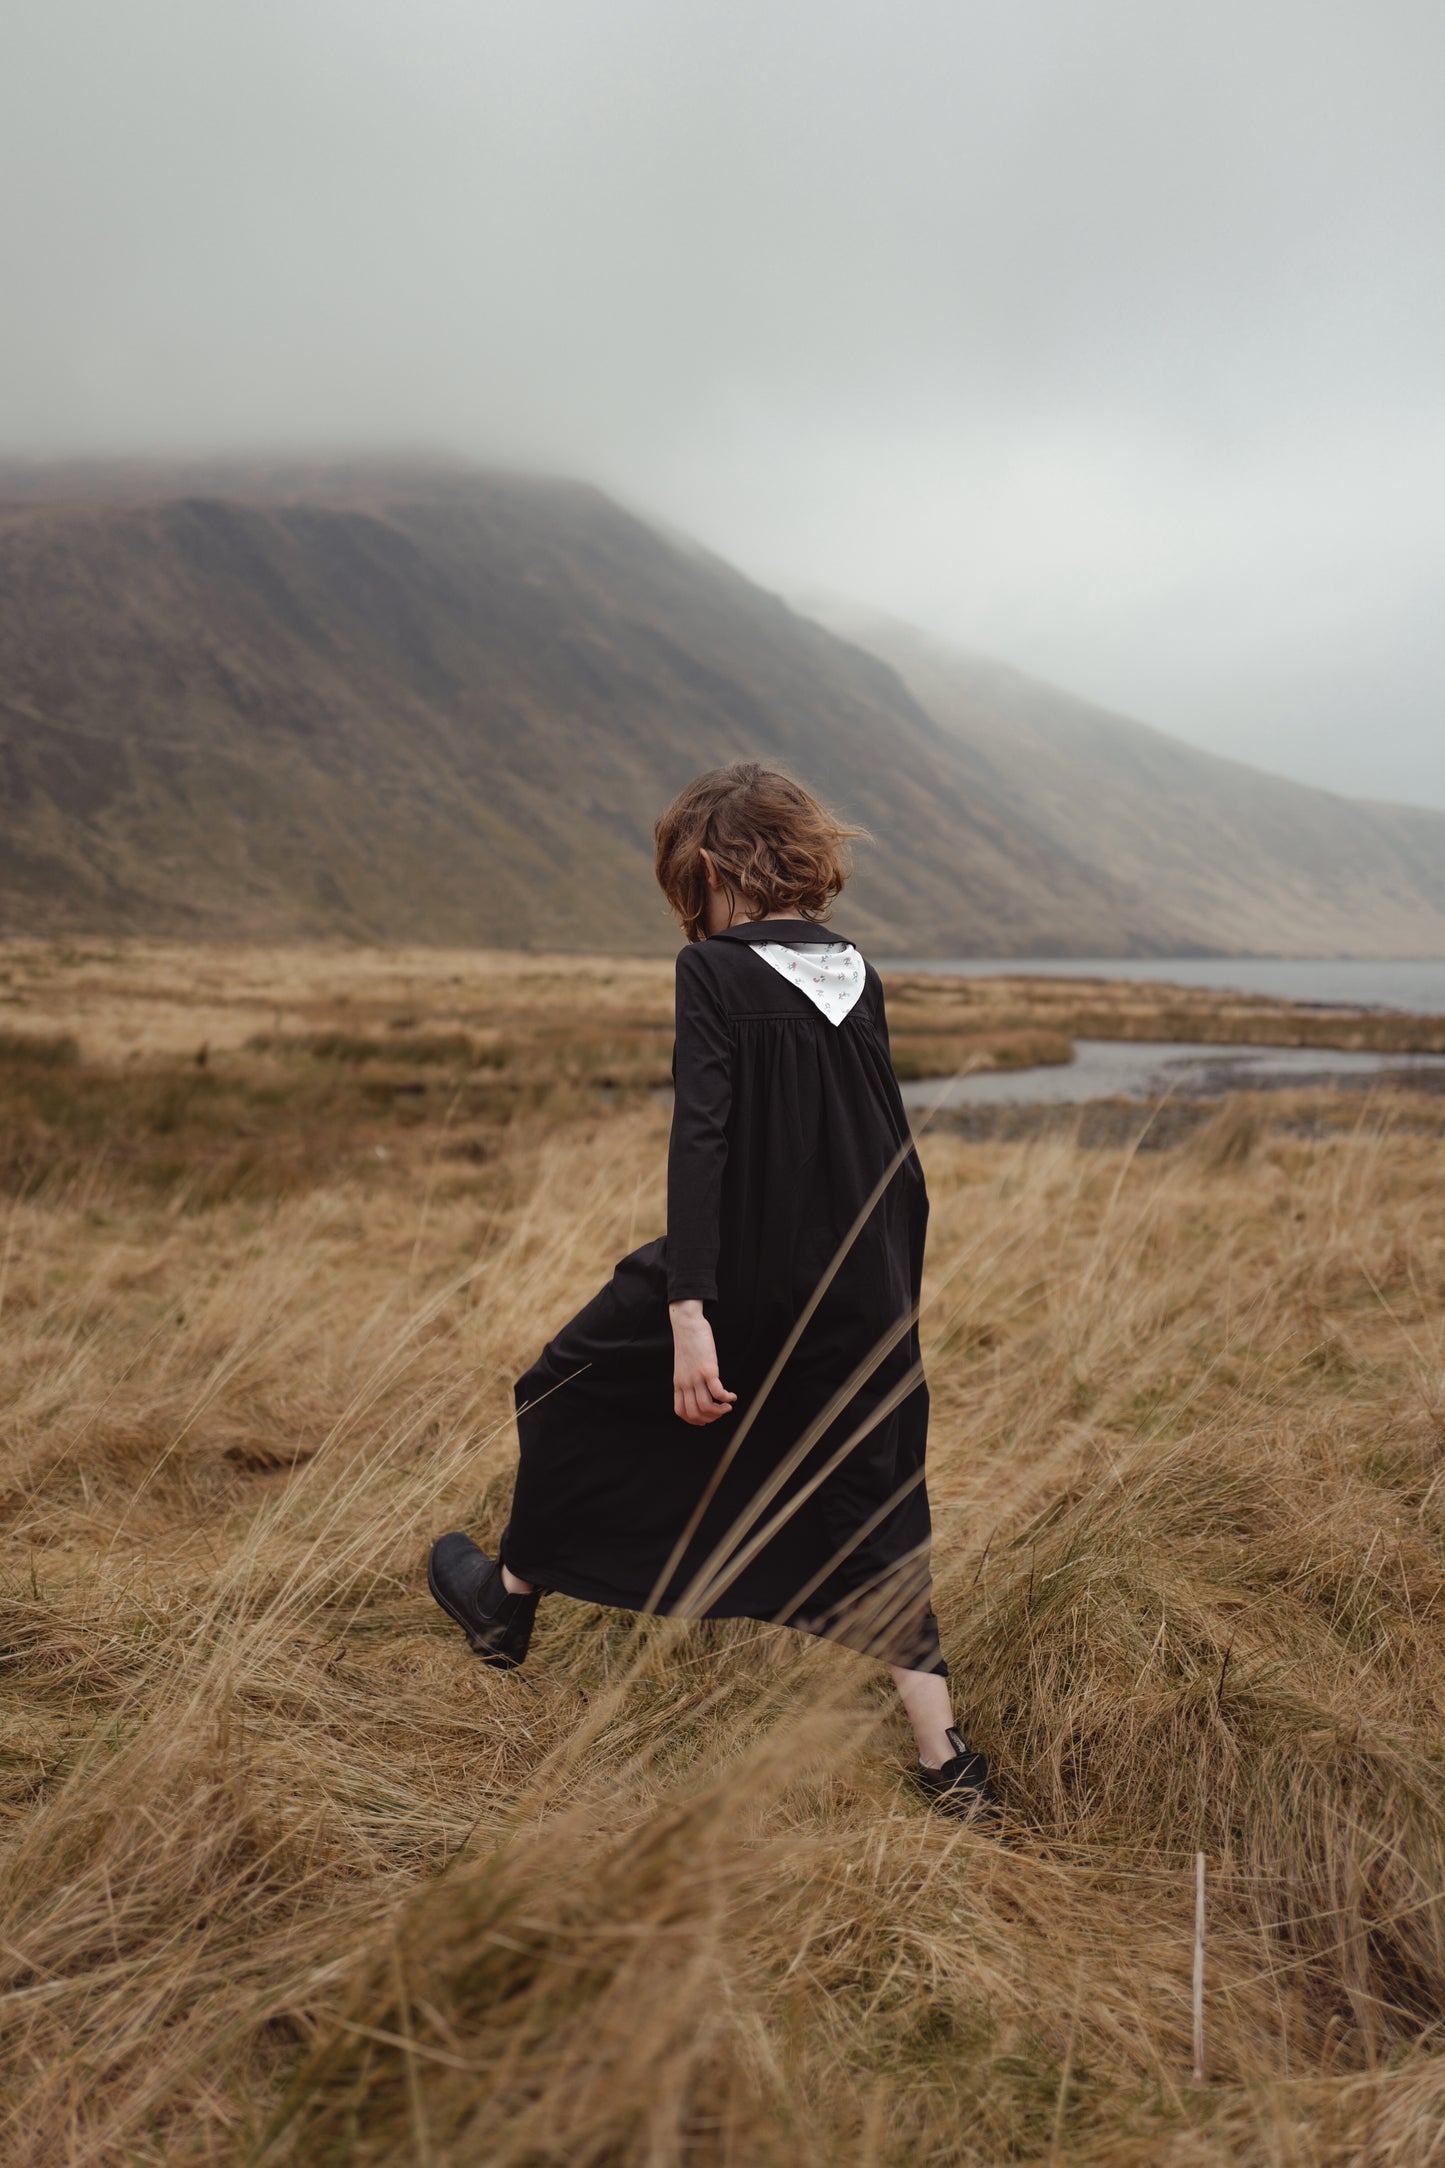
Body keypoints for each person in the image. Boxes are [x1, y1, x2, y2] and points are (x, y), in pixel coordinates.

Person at [428, 762, 996, 1820]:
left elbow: (702, 1142)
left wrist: (689, 1310)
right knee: (866, 1493)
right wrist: (885, 1295)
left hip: (737, 1273)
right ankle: (944, 1761)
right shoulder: (855, 971)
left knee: (566, 1385)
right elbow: (886, 1150)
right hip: (862, 1283)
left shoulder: (714, 977)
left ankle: (504, 1606)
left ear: (707, 864)